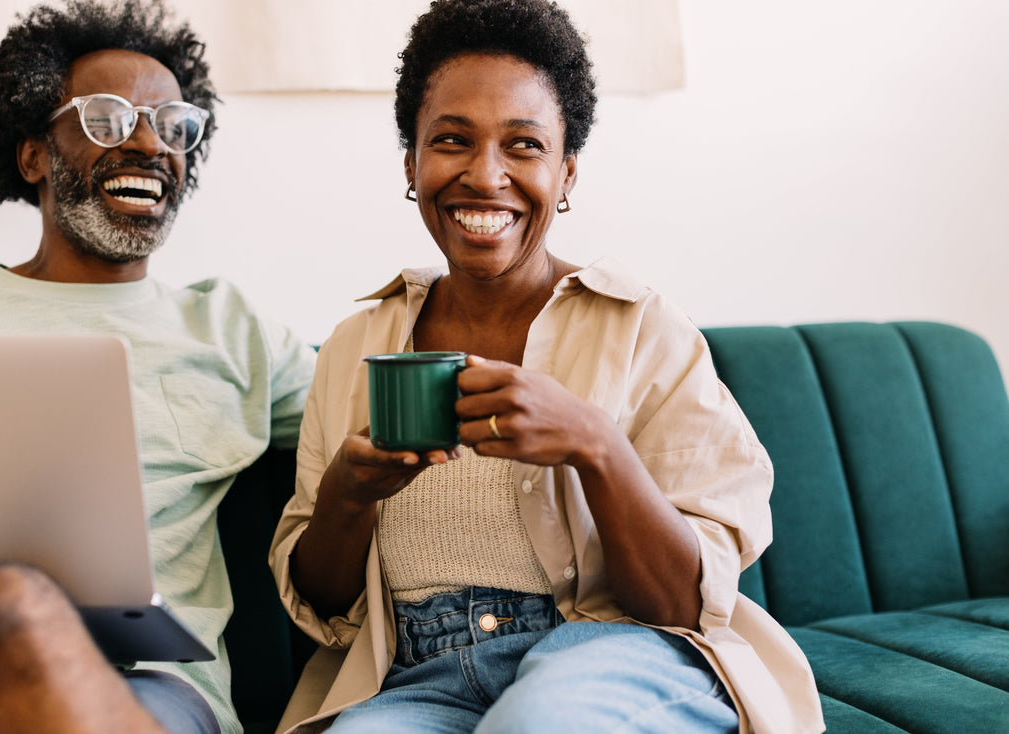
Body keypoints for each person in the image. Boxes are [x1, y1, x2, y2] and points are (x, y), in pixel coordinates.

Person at [270, 0, 825, 732]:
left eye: (524, 145)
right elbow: (326, 611)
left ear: (566, 173)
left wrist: (595, 445)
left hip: (611, 652)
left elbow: (681, 606)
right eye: (451, 140)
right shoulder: (355, 345)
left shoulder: (642, 329)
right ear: (412, 163)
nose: (485, 174)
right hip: (415, 678)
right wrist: (347, 493)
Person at [0, 1, 315, 732]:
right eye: (106, 118)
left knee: (16, 613)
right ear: (34, 154)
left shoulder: (233, 332)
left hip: (149, 690)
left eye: (172, 126)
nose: (146, 143)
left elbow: (387, 413)